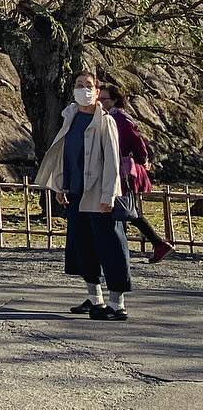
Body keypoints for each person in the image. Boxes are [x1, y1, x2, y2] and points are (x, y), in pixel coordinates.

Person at [37, 70, 131, 319]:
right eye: (79, 85)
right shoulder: (70, 117)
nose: (83, 89)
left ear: (97, 91)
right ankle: (95, 297)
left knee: (110, 246)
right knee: (82, 247)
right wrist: (60, 186)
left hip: (99, 194)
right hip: (75, 192)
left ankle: (117, 303)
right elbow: (64, 156)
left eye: (88, 85)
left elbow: (111, 160)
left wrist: (108, 196)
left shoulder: (105, 121)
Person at [101, 84, 173, 263]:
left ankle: (122, 249)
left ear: (115, 100)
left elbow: (137, 141)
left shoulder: (121, 118)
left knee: (123, 208)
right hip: (112, 166)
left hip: (121, 169)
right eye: (99, 98)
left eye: (104, 99)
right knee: (125, 210)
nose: (101, 102)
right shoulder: (106, 117)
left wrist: (142, 159)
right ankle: (155, 244)